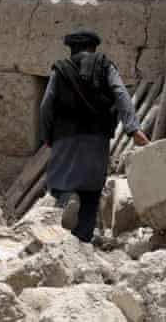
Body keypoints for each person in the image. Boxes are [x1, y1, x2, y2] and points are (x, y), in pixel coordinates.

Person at [39, 29, 149, 243]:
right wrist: (132, 128)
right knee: (91, 191)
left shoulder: (60, 69)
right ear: (94, 48)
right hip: (97, 138)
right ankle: (83, 240)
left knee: (60, 182)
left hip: (65, 137)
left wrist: (47, 135)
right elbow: (121, 94)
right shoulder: (106, 66)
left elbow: (46, 105)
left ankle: (68, 197)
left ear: (71, 49)